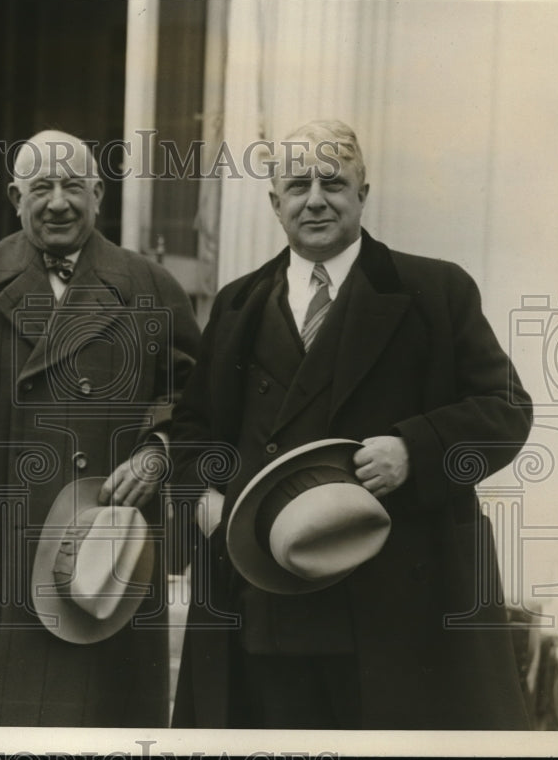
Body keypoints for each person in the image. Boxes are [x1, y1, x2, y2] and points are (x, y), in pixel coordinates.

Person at [168, 120, 533, 730]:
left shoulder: (433, 290)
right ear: (274, 202)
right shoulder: (236, 303)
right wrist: (206, 501)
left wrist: (416, 450)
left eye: (333, 182)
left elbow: (506, 410)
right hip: (263, 599)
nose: (315, 198)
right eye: (297, 185)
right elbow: (193, 430)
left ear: (363, 193)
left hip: (398, 610)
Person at [0, 130, 201, 727]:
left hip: (104, 559)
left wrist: (159, 452)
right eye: (41, 187)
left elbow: (201, 407)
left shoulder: (150, 287)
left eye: (73, 185)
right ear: (14, 196)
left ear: (99, 194)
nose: (58, 201)